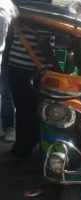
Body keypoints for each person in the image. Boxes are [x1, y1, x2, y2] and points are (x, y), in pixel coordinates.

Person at [7, 0, 55, 158]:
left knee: (23, 108)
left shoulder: (21, 12)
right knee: (35, 109)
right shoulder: (42, 16)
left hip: (17, 66)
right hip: (35, 70)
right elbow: (44, 44)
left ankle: (22, 145)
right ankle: (27, 145)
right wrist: (56, 66)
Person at [0, 0, 18, 142]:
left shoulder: (5, 6)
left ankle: (9, 127)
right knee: (7, 93)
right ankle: (9, 128)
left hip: (6, 54)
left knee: (7, 93)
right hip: (6, 53)